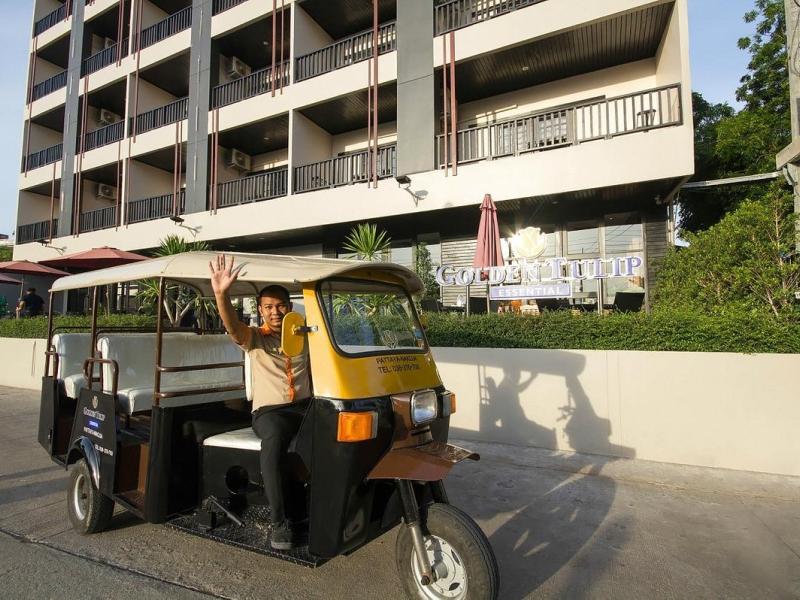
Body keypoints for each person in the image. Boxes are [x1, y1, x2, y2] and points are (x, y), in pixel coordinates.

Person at [209, 254, 311, 550]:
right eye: (268, 307)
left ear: (290, 308)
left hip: (305, 408)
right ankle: (280, 523)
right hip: (271, 413)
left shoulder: (305, 336)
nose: (275, 312)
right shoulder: (253, 337)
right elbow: (232, 325)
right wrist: (221, 294)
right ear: (261, 311)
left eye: (280, 306)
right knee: (274, 444)